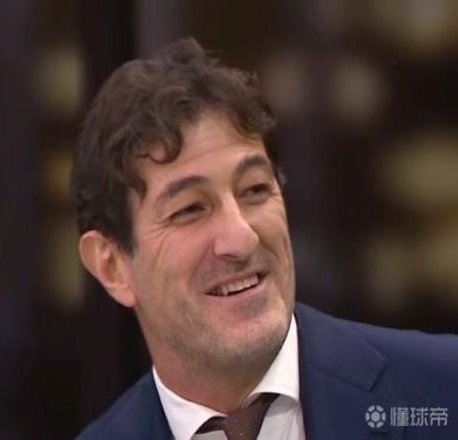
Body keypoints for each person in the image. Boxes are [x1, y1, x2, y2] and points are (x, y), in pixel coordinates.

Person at [73, 38, 458, 440]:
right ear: (112, 267)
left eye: (255, 189)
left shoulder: (444, 389)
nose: (241, 238)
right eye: (190, 209)